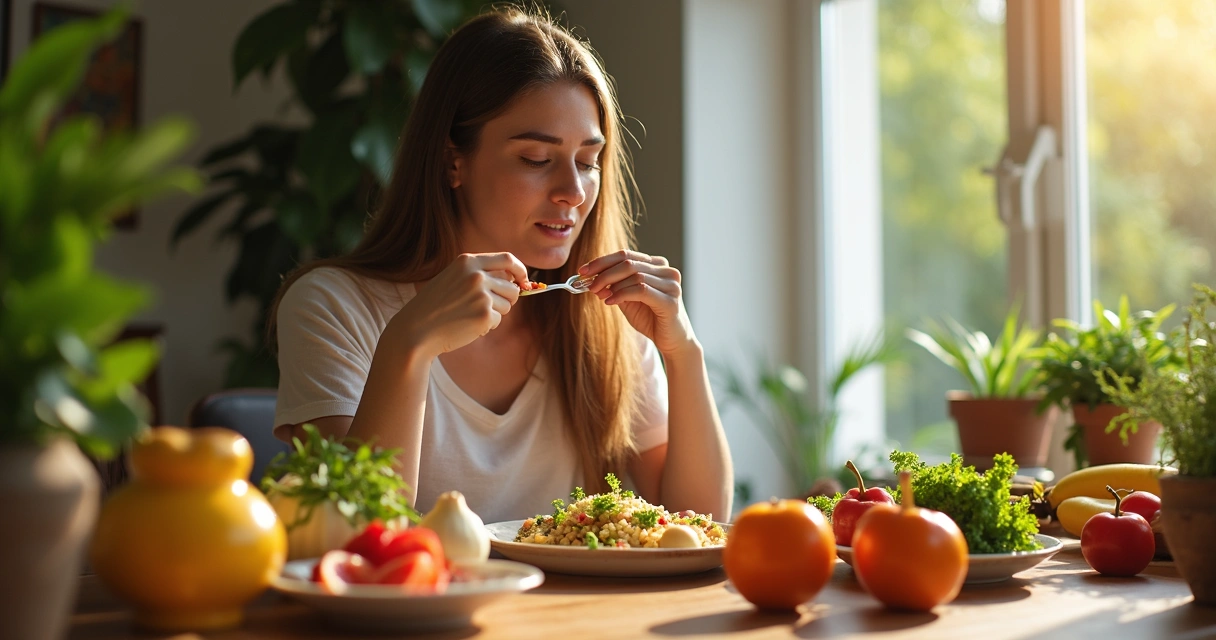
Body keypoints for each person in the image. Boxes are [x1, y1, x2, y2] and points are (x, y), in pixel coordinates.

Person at [271, 7, 732, 524]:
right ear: (453, 162)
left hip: (568, 610)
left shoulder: (607, 320)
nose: (573, 194)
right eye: (536, 159)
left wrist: (682, 353)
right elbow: (359, 532)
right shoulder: (333, 306)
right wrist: (410, 342)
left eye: (587, 162)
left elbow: (700, 526)